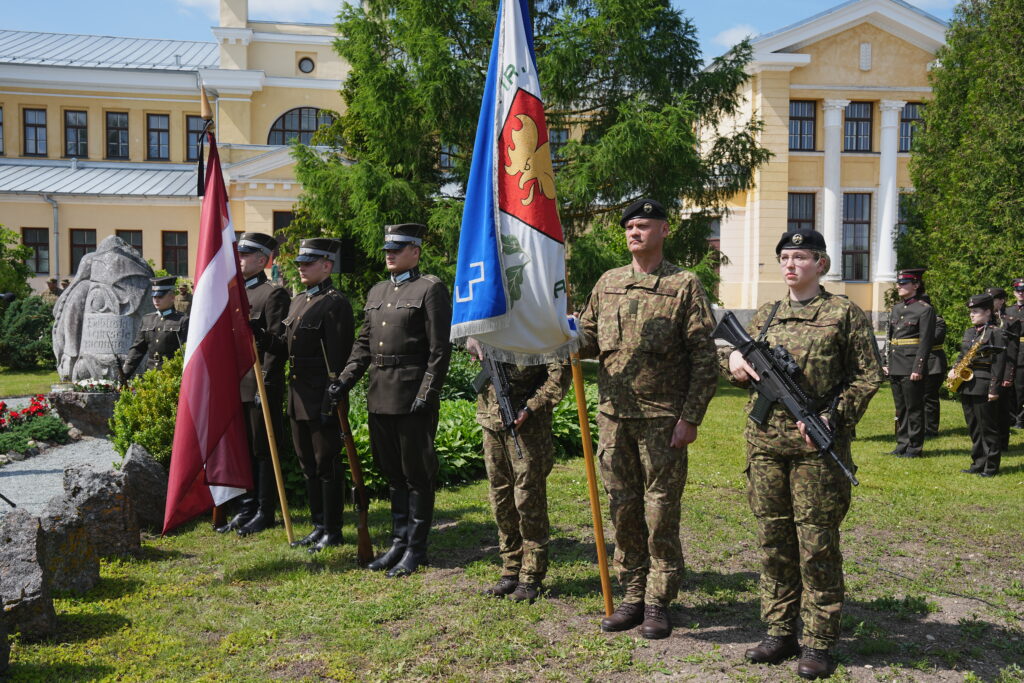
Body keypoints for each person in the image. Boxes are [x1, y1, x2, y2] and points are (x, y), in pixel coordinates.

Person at [727, 229, 883, 680]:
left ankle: (818, 641)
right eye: (785, 257)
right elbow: (738, 362)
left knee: (816, 546)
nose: (790, 265)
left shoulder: (843, 313)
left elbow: (867, 376)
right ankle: (779, 631)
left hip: (816, 449)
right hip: (766, 447)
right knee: (774, 542)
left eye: (800, 257)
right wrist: (734, 362)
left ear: (821, 264)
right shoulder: (767, 314)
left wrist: (835, 417)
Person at [576, 199, 718, 640]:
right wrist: (564, 334)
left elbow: (704, 358)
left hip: (662, 419)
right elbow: (587, 337)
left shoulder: (684, 284)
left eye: (643, 225)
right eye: (630, 227)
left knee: (660, 513)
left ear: (664, 230)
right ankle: (632, 595)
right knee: (624, 509)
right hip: (614, 417)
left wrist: (690, 417)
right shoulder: (609, 282)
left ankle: (658, 601)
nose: (634, 232)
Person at [333, 223, 452, 578]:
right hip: (380, 393)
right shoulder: (378, 292)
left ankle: (416, 548)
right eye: (388, 249)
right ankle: (399, 543)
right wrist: (344, 380)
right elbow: (363, 344)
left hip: (412, 393)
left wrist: (427, 392)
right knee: (393, 474)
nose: (390, 254)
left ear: (415, 251)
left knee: (417, 474)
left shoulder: (430, 289)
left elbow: (439, 349)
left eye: (398, 249)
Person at [263, 238, 354, 552]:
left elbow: (341, 357)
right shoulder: (298, 300)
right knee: (308, 464)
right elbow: (285, 348)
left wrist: (335, 397)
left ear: (327, 265)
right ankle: (318, 526)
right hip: (298, 396)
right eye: (300, 262)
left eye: (309, 263)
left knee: (326, 463)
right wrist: (260, 336)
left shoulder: (335, 303)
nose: (301, 267)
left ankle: (333, 529)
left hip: (322, 397)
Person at [467, 337, 570, 604]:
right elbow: (464, 325)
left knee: (527, 499)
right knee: (501, 499)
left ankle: (531, 575)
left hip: (526, 426)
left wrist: (530, 408)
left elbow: (558, 378)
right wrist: (469, 340)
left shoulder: (538, 322)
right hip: (491, 421)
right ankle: (510, 568)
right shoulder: (490, 318)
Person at [216, 232, 291, 536]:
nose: (239, 260)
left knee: (262, 450)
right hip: (235, 383)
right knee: (243, 448)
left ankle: (264, 510)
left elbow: (278, 347)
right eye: (238, 254)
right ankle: (245, 508)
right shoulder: (232, 293)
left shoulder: (272, 294)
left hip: (259, 384)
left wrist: (268, 387)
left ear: (262, 260)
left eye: (245, 255)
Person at [950, 293, 1008, 477]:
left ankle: (991, 467)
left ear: (988, 312)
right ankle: (978, 463)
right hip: (967, 384)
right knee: (974, 427)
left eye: (975, 311)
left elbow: (999, 364)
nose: (972, 315)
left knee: (988, 428)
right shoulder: (970, 332)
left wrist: (993, 389)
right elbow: (962, 355)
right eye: (971, 312)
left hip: (983, 384)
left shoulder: (995, 333)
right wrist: (954, 369)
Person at [883, 269, 934, 458]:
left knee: (914, 408)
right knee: (901, 408)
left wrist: (918, 367)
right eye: (899, 283)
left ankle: (914, 446)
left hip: (911, 365)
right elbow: (891, 338)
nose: (899, 286)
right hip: (896, 364)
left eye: (904, 283)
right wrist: (886, 362)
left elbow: (926, 341)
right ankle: (902, 443)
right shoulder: (897, 308)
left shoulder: (924, 309)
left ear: (916, 285)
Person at [122, 276, 189, 377]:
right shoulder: (147, 319)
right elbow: (137, 349)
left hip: (172, 377)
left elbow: (185, 352)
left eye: (160, 296)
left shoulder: (182, 320)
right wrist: (124, 374)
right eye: (154, 296)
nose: (156, 300)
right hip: (150, 375)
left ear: (172, 297)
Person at [986, 287, 1018, 450]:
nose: (991, 303)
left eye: (994, 299)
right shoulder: (984, 319)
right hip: (986, 368)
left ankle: (1002, 441)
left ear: (1001, 300)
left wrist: (1008, 375)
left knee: (1002, 408)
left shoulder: (1010, 320)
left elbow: (1012, 351)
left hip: (1003, 367)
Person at [1004, 278, 1024, 429]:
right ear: (1014, 293)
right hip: (1011, 351)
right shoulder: (1008, 310)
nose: (1021, 293)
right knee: (1009, 386)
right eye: (1018, 290)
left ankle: (1021, 419)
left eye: (1023, 291)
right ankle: (1011, 416)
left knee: (1021, 387)